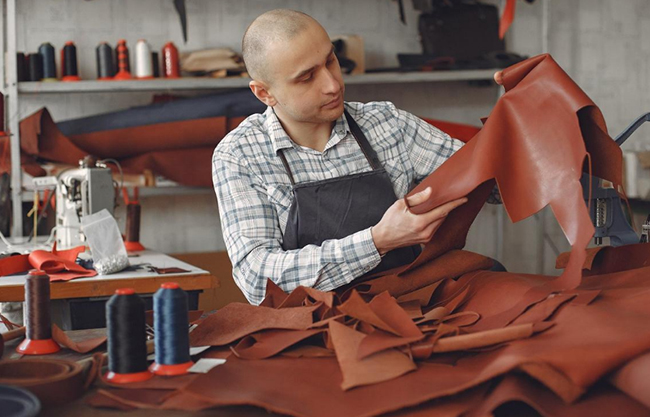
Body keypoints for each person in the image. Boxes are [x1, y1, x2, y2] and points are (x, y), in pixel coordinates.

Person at [213, 9, 501, 305]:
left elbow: (492, 183)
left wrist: (519, 116)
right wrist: (378, 241)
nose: (333, 85)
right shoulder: (240, 154)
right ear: (264, 93)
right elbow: (257, 280)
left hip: (407, 299)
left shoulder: (387, 123)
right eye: (307, 77)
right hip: (311, 318)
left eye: (331, 61)